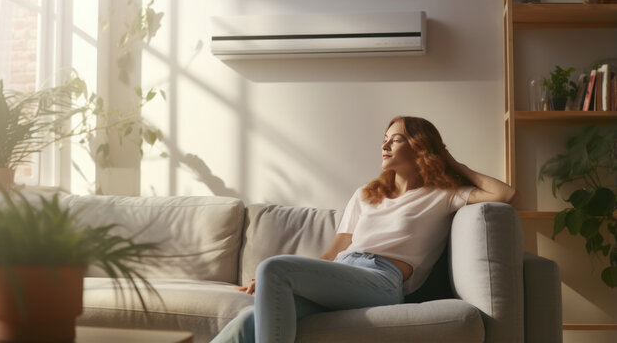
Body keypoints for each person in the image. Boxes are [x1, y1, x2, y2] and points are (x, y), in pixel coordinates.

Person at [211, 116, 517, 343]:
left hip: (381, 281)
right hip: (343, 273)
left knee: (272, 268)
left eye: (395, 139)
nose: (384, 145)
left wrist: (453, 162)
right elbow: (335, 252)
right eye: (384, 138)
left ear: (420, 146)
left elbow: (503, 193)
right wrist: (277, 279)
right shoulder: (366, 193)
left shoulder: (443, 194)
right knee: (248, 321)